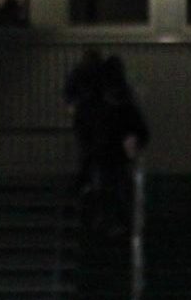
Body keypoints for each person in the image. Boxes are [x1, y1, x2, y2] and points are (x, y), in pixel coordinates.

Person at [63, 52, 149, 233]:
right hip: (107, 158)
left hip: (107, 158)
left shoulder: (107, 106)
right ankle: (108, 221)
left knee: (110, 190)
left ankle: (110, 221)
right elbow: (140, 130)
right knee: (109, 191)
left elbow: (140, 131)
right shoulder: (112, 105)